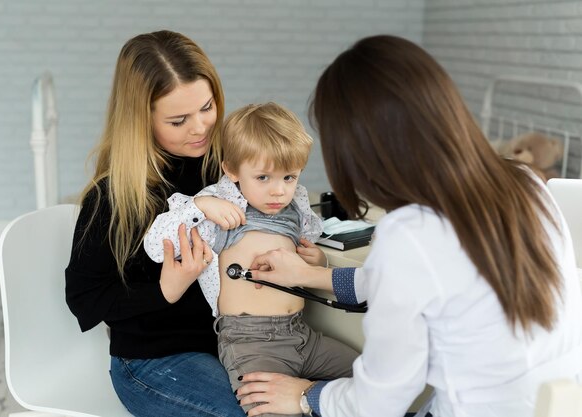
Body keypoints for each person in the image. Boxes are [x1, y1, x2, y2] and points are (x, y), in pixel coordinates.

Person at [236, 35, 582, 417]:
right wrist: (314, 275)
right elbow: (426, 284)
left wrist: (306, 395)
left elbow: (379, 402)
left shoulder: (411, 233)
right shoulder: (524, 182)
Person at [64, 30, 247, 417]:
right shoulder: (115, 194)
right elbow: (84, 299)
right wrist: (166, 289)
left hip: (232, 343)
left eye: (207, 107)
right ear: (140, 120)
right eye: (179, 120)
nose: (200, 127)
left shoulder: (226, 165)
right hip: (154, 362)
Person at [143, 102, 359, 417]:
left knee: (367, 376)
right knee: (267, 410)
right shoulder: (219, 206)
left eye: (289, 177)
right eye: (263, 178)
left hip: (301, 335)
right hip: (250, 342)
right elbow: (153, 245)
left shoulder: (295, 205)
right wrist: (199, 207)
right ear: (232, 170)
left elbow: (307, 246)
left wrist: (318, 260)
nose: (278, 191)